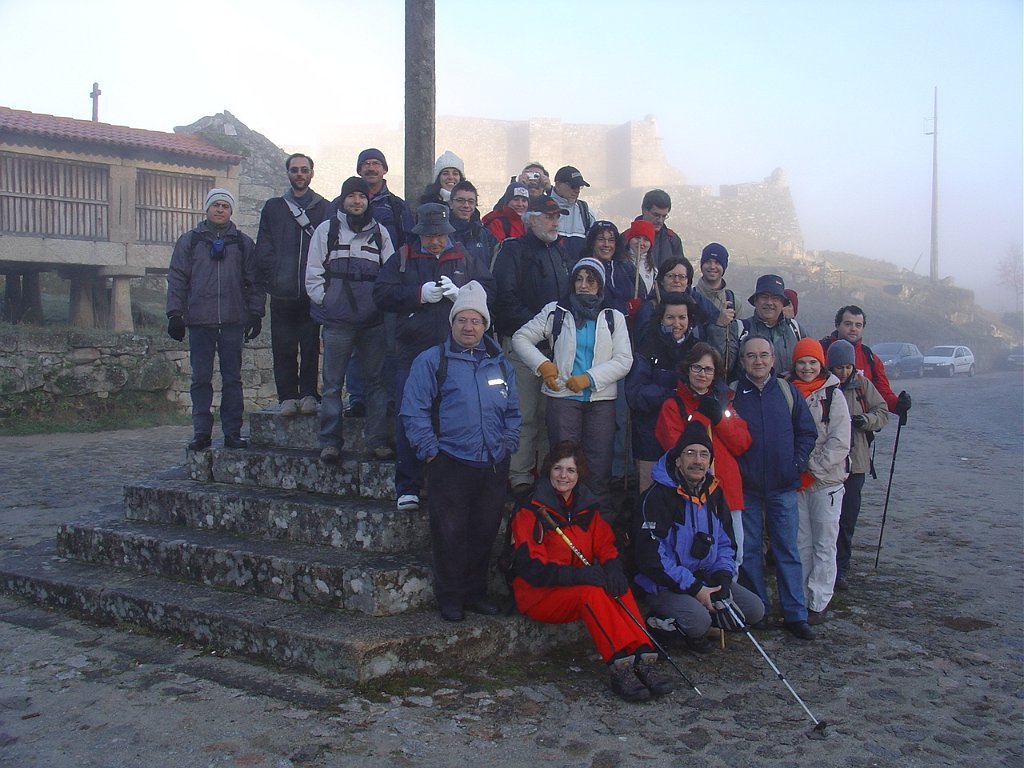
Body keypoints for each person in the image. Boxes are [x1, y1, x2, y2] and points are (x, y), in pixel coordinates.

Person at [509, 441, 673, 702]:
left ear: (579, 474)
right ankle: (620, 665)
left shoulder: (585, 507)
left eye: (571, 470)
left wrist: (613, 567)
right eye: (558, 468)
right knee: (591, 592)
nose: (563, 476)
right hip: (540, 594)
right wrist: (577, 576)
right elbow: (532, 568)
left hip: (574, 587)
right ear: (548, 470)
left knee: (617, 587)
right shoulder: (531, 510)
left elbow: (605, 544)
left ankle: (644, 655)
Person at [401, 281, 520, 622]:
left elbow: (513, 410)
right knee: (449, 533)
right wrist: (429, 451)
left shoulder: (500, 364)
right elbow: (413, 409)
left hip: (492, 463)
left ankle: (475, 593)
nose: (469, 327)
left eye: (476, 321)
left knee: (484, 531)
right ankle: (450, 596)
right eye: (462, 320)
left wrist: (508, 443)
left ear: (485, 325)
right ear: (452, 323)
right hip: (450, 461)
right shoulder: (432, 361)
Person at [373, 202, 496, 511]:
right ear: (420, 234)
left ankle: (444, 483)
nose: (436, 241)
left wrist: (463, 294)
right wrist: (417, 294)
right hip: (412, 351)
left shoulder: (464, 257)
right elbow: (381, 294)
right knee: (410, 414)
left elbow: (488, 291)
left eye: (440, 235)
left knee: (452, 417)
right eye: (429, 236)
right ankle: (408, 485)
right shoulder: (403, 257)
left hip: (455, 351)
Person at [633, 421, 765, 653]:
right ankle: (661, 623)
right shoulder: (657, 497)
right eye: (690, 453)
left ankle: (698, 616)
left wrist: (723, 581)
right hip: (664, 583)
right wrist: (696, 589)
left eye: (704, 455)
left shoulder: (714, 494)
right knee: (699, 622)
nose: (697, 460)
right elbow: (651, 557)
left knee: (755, 609)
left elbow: (726, 544)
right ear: (678, 460)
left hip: (705, 578)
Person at [512, 257, 632, 508]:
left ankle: (595, 518)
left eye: (591, 280)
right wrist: (542, 365)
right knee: (563, 463)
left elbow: (624, 360)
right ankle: (560, 515)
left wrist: (590, 378)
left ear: (600, 285)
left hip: (600, 400)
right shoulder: (556, 311)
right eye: (579, 279)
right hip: (563, 398)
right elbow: (520, 338)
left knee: (598, 463)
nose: (584, 285)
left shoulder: (613, 317)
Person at [731, 335, 817, 640]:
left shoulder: (787, 391)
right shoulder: (732, 394)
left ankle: (796, 614)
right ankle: (759, 611)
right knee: (750, 550)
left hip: (783, 485)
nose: (758, 361)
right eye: (751, 356)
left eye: (763, 355)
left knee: (787, 550)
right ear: (742, 361)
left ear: (773, 359)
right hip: (747, 487)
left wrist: (797, 462)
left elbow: (807, 431)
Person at [305, 176, 395, 463]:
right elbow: (313, 273)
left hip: (372, 322)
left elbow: (390, 274)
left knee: (376, 383)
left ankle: (378, 440)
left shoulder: (380, 233)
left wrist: (380, 306)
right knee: (332, 384)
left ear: (368, 200)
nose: (357, 201)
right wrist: (328, 302)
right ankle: (330, 442)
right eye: (351, 196)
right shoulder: (327, 230)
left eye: (362, 196)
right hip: (337, 323)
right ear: (343, 200)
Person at [166, 188, 264, 451]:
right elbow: (177, 278)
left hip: (233, 320)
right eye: (215, 205)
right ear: (207, 208)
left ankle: (232, 432)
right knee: (200, 379)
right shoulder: (190, 241)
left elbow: (254, 280)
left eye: (225, 206)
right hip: (200, 320)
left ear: (231, 211)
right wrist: (174, 313)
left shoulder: (243, 244)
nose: (220, 210)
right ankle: (201, 432)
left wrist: (256, 313)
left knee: (232, 379)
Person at [492, 196, 573, 498]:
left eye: (557, 217)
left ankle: (544, 474)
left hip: (553, 348)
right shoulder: (512, 251)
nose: (555, 222)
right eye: (549, 216)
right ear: (532, 218)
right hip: (521, 346)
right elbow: (505, 300)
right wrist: (540, 328)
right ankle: (519, 476)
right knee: (523, 414)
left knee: (548, 415)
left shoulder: (559, 253)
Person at [655, 343, 751, 562]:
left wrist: (719, 419)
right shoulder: (673, 405)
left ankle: (727, 584)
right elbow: (676, 448)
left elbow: (742, 443)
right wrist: (701, 417)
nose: (702, 374)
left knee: (733, 554)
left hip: (726, 490)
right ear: (688, 369)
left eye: (708, 369)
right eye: (697, 367)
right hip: (693, 495)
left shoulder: (725, 403)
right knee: (695, 553)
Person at [337, 148, 414, 418]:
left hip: (387, 288)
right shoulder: (338, 205)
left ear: (384, 169)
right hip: (348, 290)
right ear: (359, 169)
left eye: (376, 164)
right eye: (366, 164)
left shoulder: (397, 206)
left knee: (389, 346)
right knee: (355, 349)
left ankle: (389, 398)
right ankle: (357, 398)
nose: (371, 168)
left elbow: (407, 244)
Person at [255, 153, 328, 417]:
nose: (299, 174)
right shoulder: (273, 208)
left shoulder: (324, 208)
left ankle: (308, 394)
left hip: (311, 291)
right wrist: (273, 276)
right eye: (294, 169)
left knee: (310, 346)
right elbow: (264, 246)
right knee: (283, 346)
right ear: (288, 173)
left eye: (304, 170)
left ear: (311, 173)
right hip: (282, 292)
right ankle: (287, 396)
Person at [786, 338, 850, 625]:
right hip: (797, 482)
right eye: (801, 362)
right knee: (801, 543)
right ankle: (800, 597)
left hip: (826, 482)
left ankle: (819, 600)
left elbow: (839, 441)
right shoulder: (787, 391)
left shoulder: (833, 396)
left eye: (813, 362)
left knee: (824, 543)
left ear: (821, 364)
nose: (807, 368)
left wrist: (811, 467)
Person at [827, 339, 889, 591]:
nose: (843, 372)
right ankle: (827, 566)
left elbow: (882, 411)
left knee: (847, 519)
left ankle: (841, 567)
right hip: (830, 464)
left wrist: (865, 420)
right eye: (838, 367)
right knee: (828, 519)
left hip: (857, 463)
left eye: (847, 367)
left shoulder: (863, 386)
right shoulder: (825, 387)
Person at [625, 293, 700, 492]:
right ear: (661, 319)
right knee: (650, 492)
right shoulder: (647, 347)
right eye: (670, 317)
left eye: (682, 317)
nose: (677, 323)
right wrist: (673, 394)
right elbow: (635, 393)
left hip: (685, 434)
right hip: (649, 434)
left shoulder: (697, 350)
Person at [821, 305, 911, 417]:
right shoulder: (820, 351)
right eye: (848, 324)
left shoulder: (871, 358)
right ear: (837, 325)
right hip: (824, 421)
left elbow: (881, 392)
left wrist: (897, 404)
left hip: (860, 423)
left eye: (858, 325)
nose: (853, 328)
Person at [631, 256, 723, 348]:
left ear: (688, 281)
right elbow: (642, 342)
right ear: (662, 280)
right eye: (671, 276)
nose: (676, 281)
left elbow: (715, 320)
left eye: (682, 277)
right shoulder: (650, 307)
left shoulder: (696, 300)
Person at [733, 274, 801, 379]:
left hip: (789, 389)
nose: (769, 302)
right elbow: (724, 366)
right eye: (764, 297)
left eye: (775, 298)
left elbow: (811, 363)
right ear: (755, 301)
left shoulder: (795, 329)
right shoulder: (739, 329)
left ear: (782, 303)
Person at [693, 242, 738, 365]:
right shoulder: (690, 297)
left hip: (723, 367)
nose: (712, 266)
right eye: (708, 261)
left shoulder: (733, 301)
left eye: (717, 262)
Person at [447, 180, 498, 267]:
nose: (466, 205)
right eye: (460, 200)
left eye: (471, 201)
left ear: (475, 205)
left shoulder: (484, 234)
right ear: (451, 203)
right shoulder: (443, 233)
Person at [550, 166, 596, 259]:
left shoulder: (586, 212)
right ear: (558, 185)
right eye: (573, 186)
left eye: (580, 187)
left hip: (578, 268)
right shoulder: (542, 208)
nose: (577, 190)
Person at [637, 189, 685, 267]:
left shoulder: (673, 240)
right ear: (644, 210)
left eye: (664, 216)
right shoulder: (626, 238)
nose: (660, 220)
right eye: (656, 215)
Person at [623, 220, 657, 297]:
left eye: (646, 239)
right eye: (637, 237)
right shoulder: (620, 264)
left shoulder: (653, 269)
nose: (641, 243)